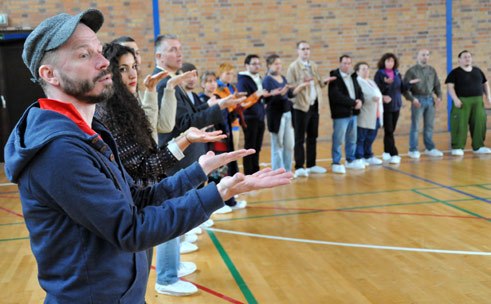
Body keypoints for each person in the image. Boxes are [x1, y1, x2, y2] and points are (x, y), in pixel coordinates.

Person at [3, 9, 293, 302]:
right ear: (49, 74)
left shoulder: (90, 131)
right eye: (83, 55)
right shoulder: (59, 151)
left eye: (100, 51)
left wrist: (197, 172)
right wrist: (216, 194)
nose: (104, 63)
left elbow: (135, 200)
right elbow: (130, 230)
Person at [95, 43, 227, 295]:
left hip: (146, 187)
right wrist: (184, 139)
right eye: (123, 68)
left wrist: (161, 90)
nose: (132, 73)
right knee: (135, 269)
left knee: (142, 267)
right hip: (137, 194)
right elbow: (148, 159)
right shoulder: (108, 110)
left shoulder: (127, 102)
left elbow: (156, 129)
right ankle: (166, 277)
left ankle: (167, 273)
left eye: (134, 66)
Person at [286, 41, 334, 177]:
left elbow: (319, 83)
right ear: (298, 51)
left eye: (308, 49)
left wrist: (325, 81)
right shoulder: (293, 67)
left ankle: (312, 164)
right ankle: (300, 166)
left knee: (313, 136)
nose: (306, 51)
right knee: (299, 138)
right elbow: (290, 88)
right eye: (303, 49)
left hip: (315, 105)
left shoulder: (313, 65)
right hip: (300, 107)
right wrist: (302, 83)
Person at [263, 54, 308, 172]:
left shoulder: (282, 78)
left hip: (287, 114)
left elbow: (289, 95)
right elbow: (268, 99)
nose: (279, 66)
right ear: (269, 66)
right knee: (278, 145)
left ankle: (287, 170)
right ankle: (277, 171)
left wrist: (300, 87)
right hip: (275, 116)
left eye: (280, 63)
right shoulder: (267, 80)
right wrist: (281, 93)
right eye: (276, 64)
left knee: (289, 145)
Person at [374, 53, 419, 164]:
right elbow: (376, 89)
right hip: (386, 106)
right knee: (389, 130)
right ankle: (394, 154)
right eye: (388, 61)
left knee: (390, 130)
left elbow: (402, 88)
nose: (390, 63)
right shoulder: (379, 74)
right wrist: (386, 84)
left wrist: (409, 83)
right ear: (384, 62)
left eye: (392, 61)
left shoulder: (397, 73)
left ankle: (386, 152)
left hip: (396, 105)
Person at [445, 50, 491, 156]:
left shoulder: (478, 71)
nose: (467, 58)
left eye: (469, 56)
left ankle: (478, 146)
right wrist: (455, 99)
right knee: (459, 124)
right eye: (465, 57)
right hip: (462, 101)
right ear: (459, 60)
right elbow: (450, 87)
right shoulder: (455, 72)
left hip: (478, 101)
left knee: (479, 123)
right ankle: (457, 147)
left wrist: (488, 97)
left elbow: (485, 84)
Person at [403, 49, 444, 159]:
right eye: (423, 55)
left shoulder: (432, 70)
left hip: (430, 100)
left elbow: (437, 85)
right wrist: (412, 99)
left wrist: (439, 96)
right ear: (418, 57)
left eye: (427, 55)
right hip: (418, 100)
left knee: (429, 126)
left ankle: (429, 148)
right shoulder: (411, 71)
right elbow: (405, 88)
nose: (425, 57)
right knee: (415, 126)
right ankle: (413, 149)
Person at [328, 55, 364, 174]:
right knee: (338, 139)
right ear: (340, 63)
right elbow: (336, 96)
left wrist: (360, 101)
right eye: (344, 63)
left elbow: (359, 91)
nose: (347, 65)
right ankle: (336, 162)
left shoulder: (353, 76)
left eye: (349, 63)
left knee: (352, 139)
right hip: (340, 115)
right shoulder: (334, 77)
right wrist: (353, 103)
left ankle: (350, 160)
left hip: (353, 113)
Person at [237, 54, 269, 175]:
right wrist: (258, 94)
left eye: (258, 64)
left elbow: (259, 97)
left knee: (257, 146)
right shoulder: (243, 80)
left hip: (260, 116)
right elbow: (244, 101)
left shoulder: (259, 77)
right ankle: (248, 173)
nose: (257, 66)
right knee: (249, 146)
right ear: (246, 65)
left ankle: (256, 171)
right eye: (254, 64)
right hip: (249, 118)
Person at [354, 62, 384, 166]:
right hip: (365, 114)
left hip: (376, 114)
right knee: (361, 137)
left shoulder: (371, 82)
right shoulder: (357, 82)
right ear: (357, 71)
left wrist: (382, 98)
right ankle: (359, 157)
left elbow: (376, 94)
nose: (366, 71)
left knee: (371, 137)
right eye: (363, 69)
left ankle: (368, 155)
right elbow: (357, 96)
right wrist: (370, 99)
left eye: (367, 68)